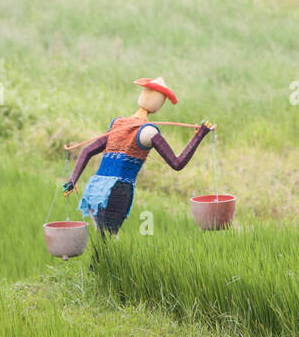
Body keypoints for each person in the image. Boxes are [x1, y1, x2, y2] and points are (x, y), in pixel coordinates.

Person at [63, 77, 214, 235]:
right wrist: (199, 136)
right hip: (118, 189)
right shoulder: (149, 131)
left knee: (102, 237)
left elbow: (87, 151)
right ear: (158, 104)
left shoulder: (117, 124)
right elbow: (177, 163)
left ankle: (106, 260)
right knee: (108, 239)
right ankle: (108, 260)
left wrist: (72, 180)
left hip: (97, 187)